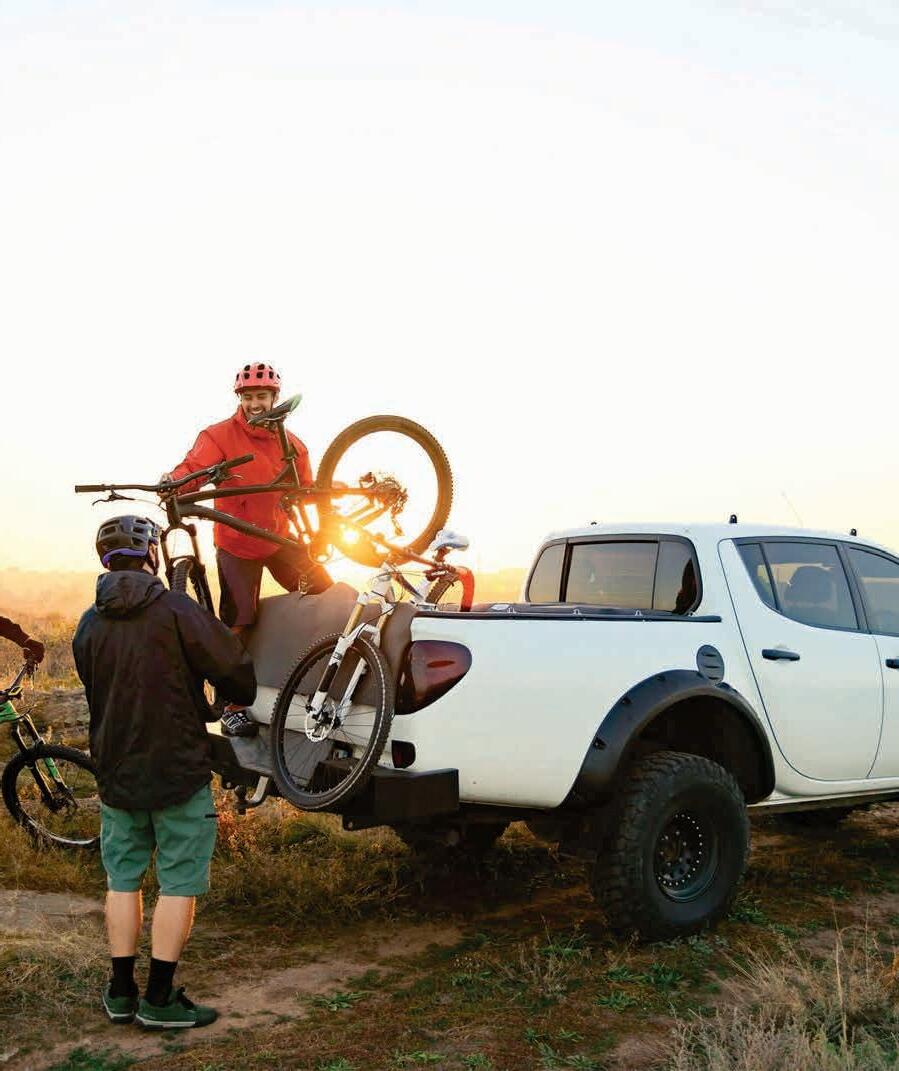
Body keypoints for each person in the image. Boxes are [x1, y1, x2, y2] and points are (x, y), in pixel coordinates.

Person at [72, 515, 256, 1029]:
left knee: (123, 880)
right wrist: (235, 694)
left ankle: (120, 992)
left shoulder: (88, 622)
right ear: (151, 554)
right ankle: (158, 999)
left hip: (116, 771)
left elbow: (93, 685)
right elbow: (230, 666)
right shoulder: (177, 608)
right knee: (178, 884)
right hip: (178, 768)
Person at [161, 363, 331, 738]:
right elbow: (194, 468)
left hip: (280, 538)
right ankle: (232, 707)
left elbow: (308, 491)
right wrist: (173, 483)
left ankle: (327, 685)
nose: (256, 404)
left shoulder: (293, 445)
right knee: (239, 622)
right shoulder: (218, 435)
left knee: (328, 596)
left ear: (274, 398)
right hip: (236, 542)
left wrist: (324, 525)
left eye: (262, 396)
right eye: (249, 397)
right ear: (240, 399)